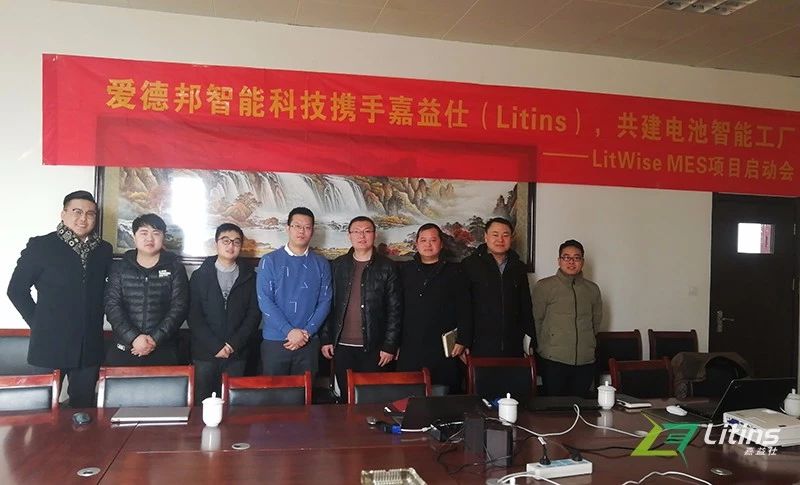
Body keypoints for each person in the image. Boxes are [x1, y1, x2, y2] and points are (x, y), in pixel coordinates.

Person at [7, 190, 112, 408]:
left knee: (82, 410)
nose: (83, 218)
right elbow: (16, 290)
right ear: (63, 214)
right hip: (49, 344)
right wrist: (39, 324)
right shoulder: (41, 246)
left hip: (88, 345)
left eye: (90, 214)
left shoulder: (103, 250)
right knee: (42, 409)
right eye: (77, 212)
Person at [319, 216, 401, 396]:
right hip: (341, 346)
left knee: (372, 398)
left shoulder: (387, 267)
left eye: (367, 231)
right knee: (346, 397)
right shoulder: (338, 265)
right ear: (349, 235)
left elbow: (395, 310)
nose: (361, 236)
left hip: (375, 347)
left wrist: (390, 345)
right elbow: (327, 304)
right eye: (356, 231)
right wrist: (325, 339)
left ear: (374, 235)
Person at [188, 223, 261, 401]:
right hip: (205, 354)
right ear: (216, 243)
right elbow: (193, 315)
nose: (231, 246)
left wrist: (233, 344)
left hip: (237, 353)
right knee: (202, 404)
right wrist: (216, 346)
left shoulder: (251, 277)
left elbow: (253, 315)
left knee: (234, 406)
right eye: (226, 241)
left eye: (236, 242)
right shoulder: (200, 276)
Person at [104, 213, 189, 366]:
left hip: (164, 348)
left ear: (163, 237)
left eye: (156, 233)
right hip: (125, 348)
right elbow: (112, 306)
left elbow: (179, 307)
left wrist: (155, 339)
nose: (150, 238)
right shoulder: (119, 268)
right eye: (144, 233)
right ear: (134, 236)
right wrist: (134, 338)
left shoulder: (175, 268)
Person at [256, 207, 331, 375]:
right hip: (276, 340)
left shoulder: (321, 264)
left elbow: (325, 301)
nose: (302, 231)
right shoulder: (269, 261)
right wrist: (288, 331)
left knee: (306, 390)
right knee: (274, 390)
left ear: (312, 231)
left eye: (307, 227)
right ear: (288, 228)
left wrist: (307, 333)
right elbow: (265, 300)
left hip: (308, 341)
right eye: (297, 226)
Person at [396, 223, 470, 394]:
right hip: (410, 345)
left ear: (441, 244)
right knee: (409, 395)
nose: (428, 244)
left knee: (444, 396)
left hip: (443, 347)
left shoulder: (455, 271)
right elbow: (395, 309)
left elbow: (465, 308)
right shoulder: (404, 271)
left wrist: (463, 340)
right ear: (416, 244)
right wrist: (394, 344)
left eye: (433, 240)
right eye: (423, 240)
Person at [533, 239, 602, 396]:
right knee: (555, 406)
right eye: (566, 257)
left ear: (582, 261)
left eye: (576, 258)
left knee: (581, 405)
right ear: (559, 261)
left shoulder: (592, 289)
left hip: (585, 359)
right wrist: (544, 347)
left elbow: (595, 322)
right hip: (554, 359)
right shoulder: (544, 286)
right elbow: (537, 320)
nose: (571, 262)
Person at [461, 217, 534, 357]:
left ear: (511, 238)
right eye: (495, 235)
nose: (500, 239)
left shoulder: (518, 267)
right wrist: (463, 340)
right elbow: (463, 306)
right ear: (486, 237)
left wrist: (530, 342)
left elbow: (525, 306)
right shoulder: (470, 265)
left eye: (505, 235)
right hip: (479, 345)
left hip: (513, 345)